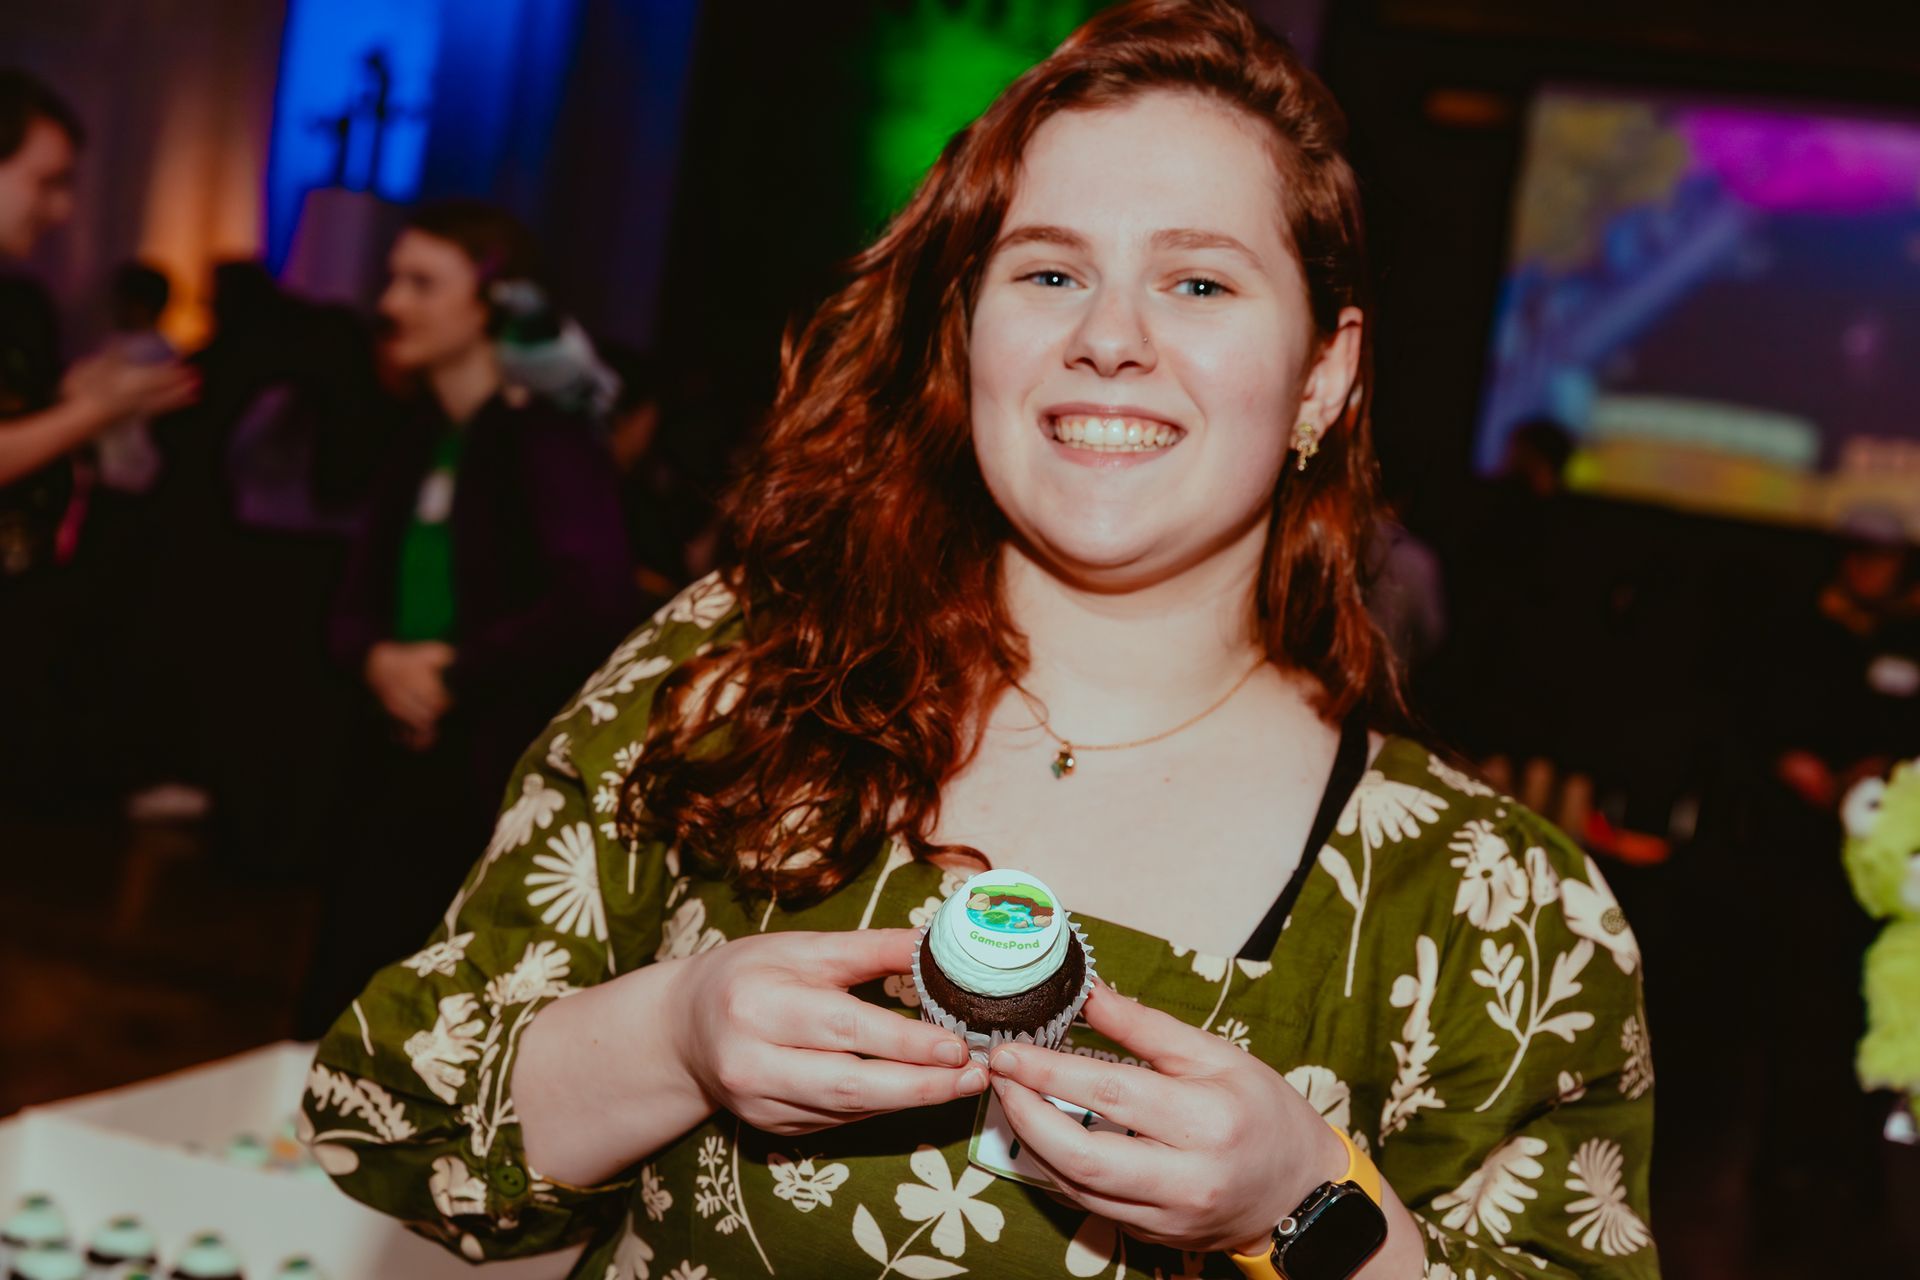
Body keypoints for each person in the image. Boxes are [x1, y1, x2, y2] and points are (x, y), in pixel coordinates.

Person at [305, 5, 1657, 1277]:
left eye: (1197, 282)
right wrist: (677, 1032)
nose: (1109, 338)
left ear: (1324, 373)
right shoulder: (728, 678)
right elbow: (399, 1121)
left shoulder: (1490, 907)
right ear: (968, 334)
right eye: (1051, 270)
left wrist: (1301, 1202)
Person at [295, 201, 637, 1035]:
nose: (391, 303)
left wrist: (452, 670)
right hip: (396, 755)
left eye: (421, 283)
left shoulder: (544, 439)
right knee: (359, 987)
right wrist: (379, 660)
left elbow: (594, 601)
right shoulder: (418, 436)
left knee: (452, 1013)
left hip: (495, 777)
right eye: (392, 279)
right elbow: (354, 596)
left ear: (488, 303)